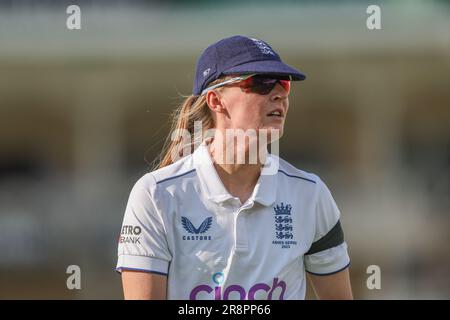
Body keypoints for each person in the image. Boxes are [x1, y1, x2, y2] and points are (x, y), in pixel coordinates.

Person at [116, 35, 353, 300]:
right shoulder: (155, 194)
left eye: (283, 85)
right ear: (216, 101)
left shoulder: (311, 194)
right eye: (261, 83)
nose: (279, 95)